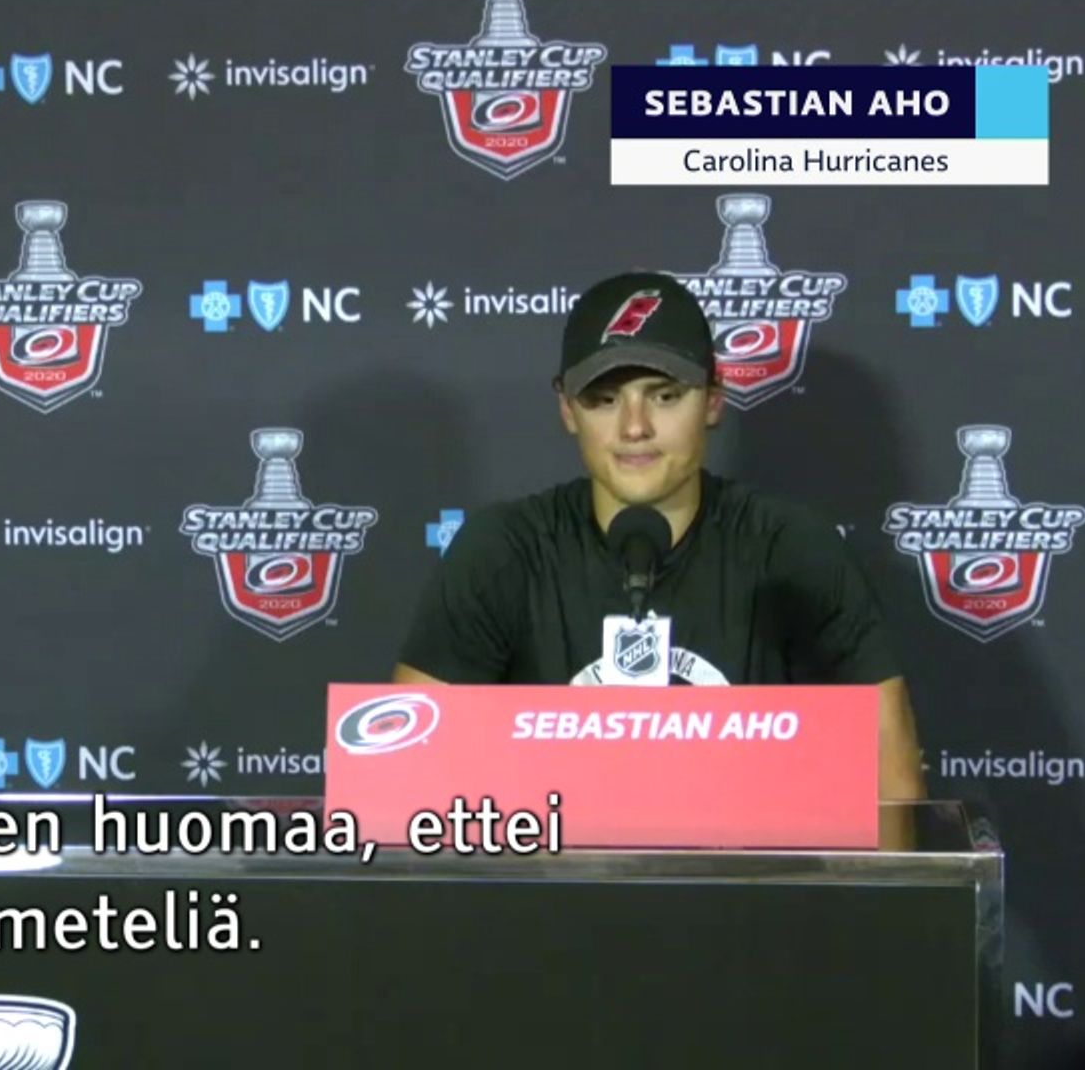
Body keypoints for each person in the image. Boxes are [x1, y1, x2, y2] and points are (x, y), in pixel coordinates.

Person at [393, 270, 927, 802]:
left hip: (750, 859)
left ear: (713, 399)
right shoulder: (502, 552)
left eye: (665, 396)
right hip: (550, 857)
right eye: (604, 400)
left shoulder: (794, 550)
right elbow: (406, 781)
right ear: (567, 410)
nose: (634, 427)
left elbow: (892, 789)